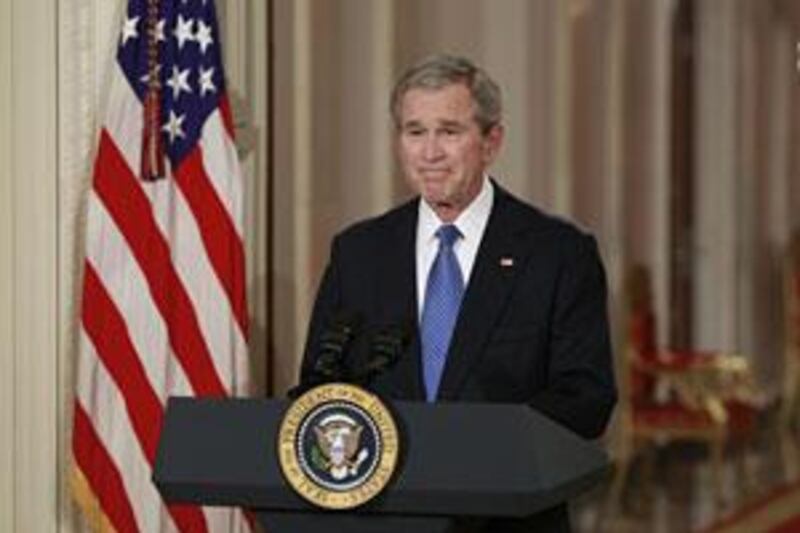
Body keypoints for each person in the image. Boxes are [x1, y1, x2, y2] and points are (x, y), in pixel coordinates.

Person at [298, 54, 617, 532]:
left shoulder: (557, 253)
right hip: (381, 518)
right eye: (414, 132)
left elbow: (587, 398)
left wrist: (471, 448)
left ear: (492, 141)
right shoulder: (360, 252)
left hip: (507, 520)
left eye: (449, 132)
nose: (430, 153)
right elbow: (320, 385)